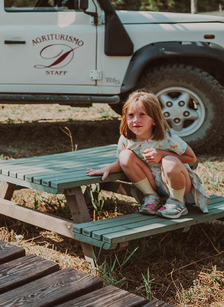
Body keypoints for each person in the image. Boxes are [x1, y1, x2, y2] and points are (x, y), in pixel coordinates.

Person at [85, 90, 209, 219]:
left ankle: (177, 203)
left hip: (177, 184)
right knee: (125, 156)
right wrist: (108, 169)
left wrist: (162, 154)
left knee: (168, 161)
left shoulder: (167, 138)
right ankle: (152, 197)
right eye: (131, 115)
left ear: (154, 120)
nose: (136, 120)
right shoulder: (127, 139)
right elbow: (122, 162)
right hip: (152, 183)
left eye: (142, 115)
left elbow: (191, 158)